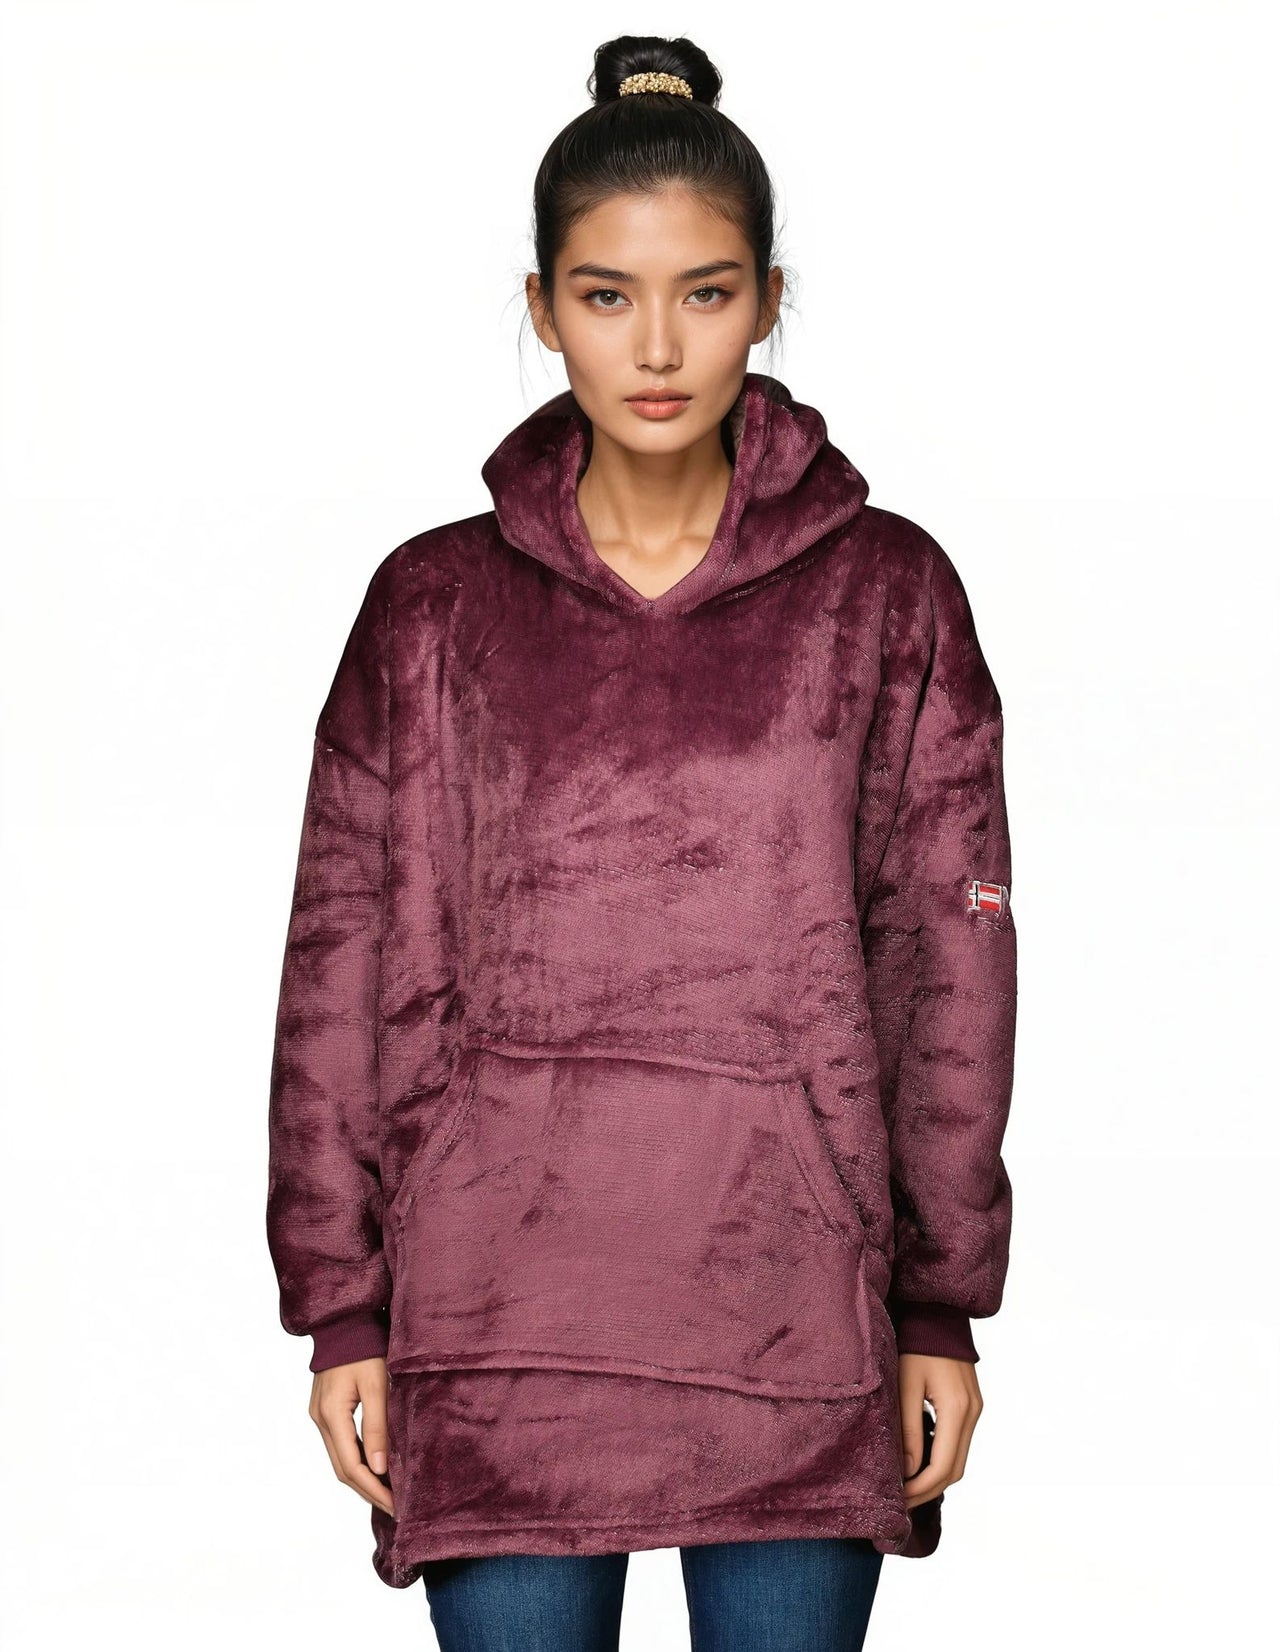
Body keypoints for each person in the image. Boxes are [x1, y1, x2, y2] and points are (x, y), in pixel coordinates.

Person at [266, 32, 1017, 1652]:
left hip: (796, 1318)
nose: (659, 346)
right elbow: (337, 962)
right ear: (543, 308)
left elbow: (947, 972)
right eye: (608, 296)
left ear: (768, 301)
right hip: (498, 1323)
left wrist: (938, 1304)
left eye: (707, 292)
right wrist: (340, 1307)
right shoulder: (430, 608)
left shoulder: (887, 595)